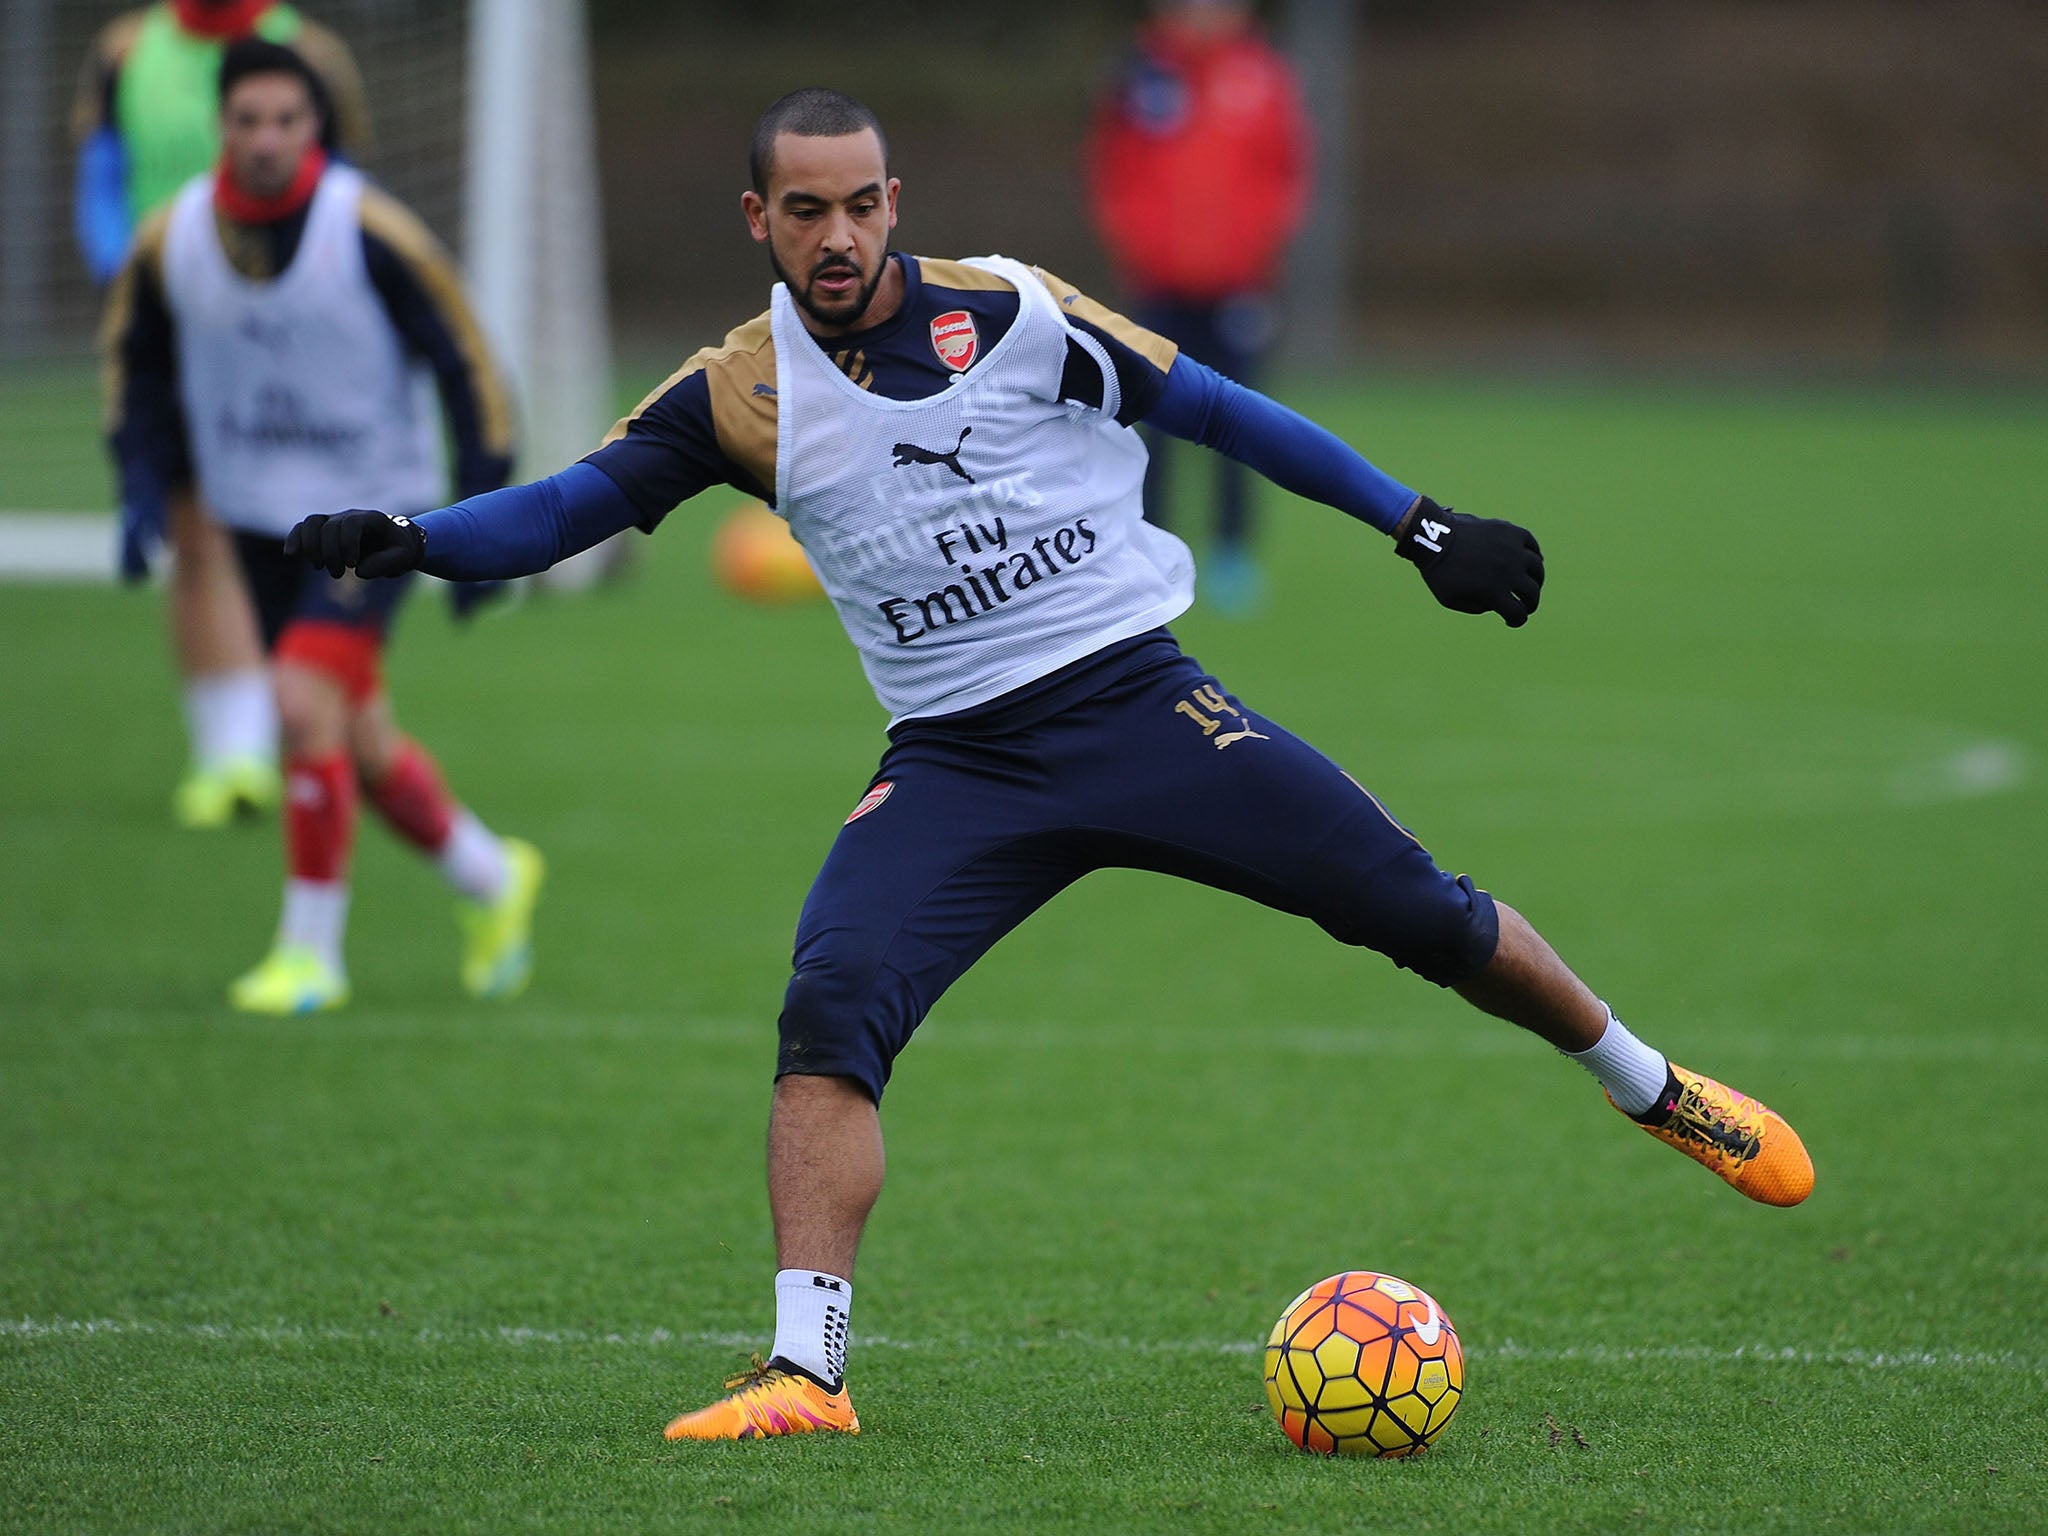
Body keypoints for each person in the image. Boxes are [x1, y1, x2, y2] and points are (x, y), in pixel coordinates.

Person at [289, 87, 1815, 1439]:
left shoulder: (1013, 311)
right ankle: (805, 1377)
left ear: (897, 203)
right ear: (759, 217)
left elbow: (1221, 411)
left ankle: (1651, 1086)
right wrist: (412, 538)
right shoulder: (736, 390)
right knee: (830, 1004)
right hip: (956, 764)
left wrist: (1420, 526)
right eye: (804, 208)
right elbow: (565, 511)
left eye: (862, 202)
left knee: (1417, 907)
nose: (837, 233)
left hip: (1145, 707)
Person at [104, 38, 540, 1015]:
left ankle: (309, 954)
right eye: (247, 120)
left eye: (286, 121)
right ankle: (490, 877)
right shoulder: (169, 236)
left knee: (299, 706)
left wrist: (484, 519)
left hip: (373, 519)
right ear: (220, 127)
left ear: (316, 128)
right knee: (356, 733)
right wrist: (141, 488)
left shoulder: (371, 229)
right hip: (254, 520)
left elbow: (470, 364)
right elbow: (133, 367)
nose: (265, 139)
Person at [75, 0, 372, 829]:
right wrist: (128, 270)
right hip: (170, 328)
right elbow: (101, 178)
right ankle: (230, 753)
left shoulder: (309, 50)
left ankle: (321, 710)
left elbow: (346, 187)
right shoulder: (126, 49)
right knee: (193, 534)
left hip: (283, 333)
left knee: (291, 527)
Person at [1084, 0, 1312, 613]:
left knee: (1243, 419)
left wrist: (1255, 251)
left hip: (1236, 286)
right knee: (1148, 420)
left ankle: (1232, 555)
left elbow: (1285, 174)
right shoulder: (1143, 76)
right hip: (1158, 285)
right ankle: (1147, 547)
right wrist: (1141, 245)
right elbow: (1116, 172)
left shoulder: (1263, 77)